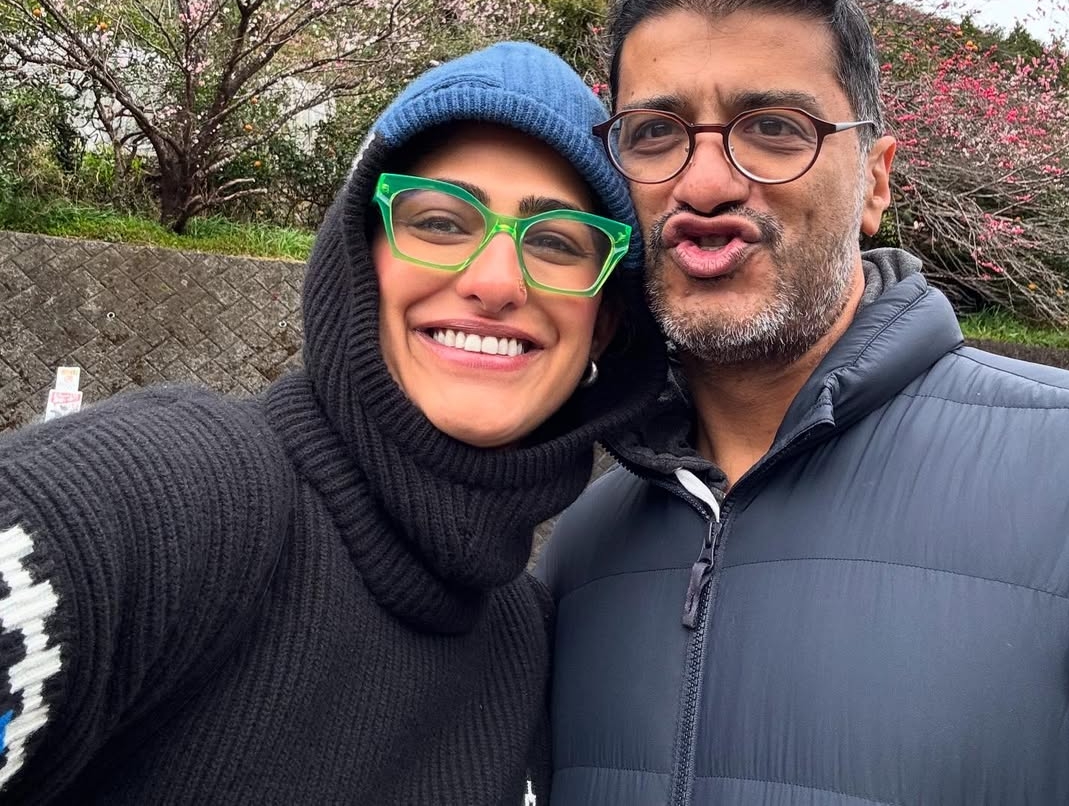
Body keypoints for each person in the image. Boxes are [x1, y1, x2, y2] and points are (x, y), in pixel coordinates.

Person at [0, 42, 667, 805]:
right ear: (359, 257)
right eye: (441, 221)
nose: (494, 281)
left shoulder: (529, 639)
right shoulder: (202, 492)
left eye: (554, 242)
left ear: (603, 325)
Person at [538, 0, 1069, 806]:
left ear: (875, 181)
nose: (705, 186)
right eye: (655, 133)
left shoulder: (1066, 475)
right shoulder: (582, 542)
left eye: (774, 128)